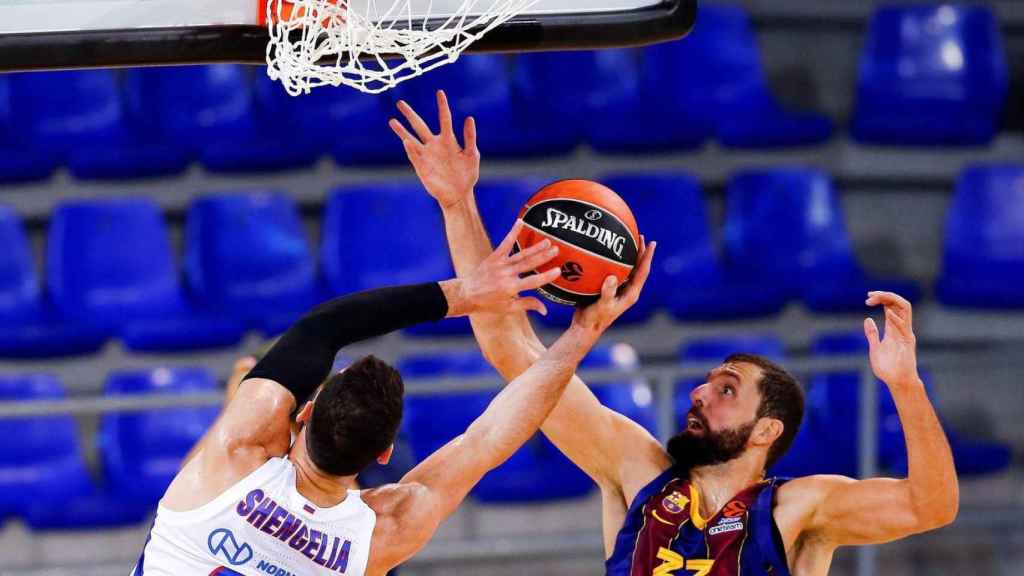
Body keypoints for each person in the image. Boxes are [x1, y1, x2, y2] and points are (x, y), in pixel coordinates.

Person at [390, 90, 959, 576]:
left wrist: (905, 386)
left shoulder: (799, 509)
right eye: (709, 383)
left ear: (767, 430)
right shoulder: (637, 470)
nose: (699, 393)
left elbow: (930, 506)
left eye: (727, 389)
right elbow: (510, 348)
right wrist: (457, 201)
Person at [132, 220, 655, 576]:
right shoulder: (382, 532)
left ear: (305, 413)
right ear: (384, 455)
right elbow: (489, 439)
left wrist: (463, 293)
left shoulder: (237, 453)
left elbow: (323, 327)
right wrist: (581, 335)